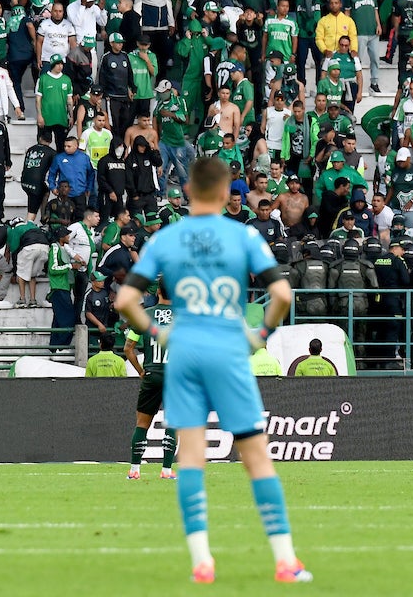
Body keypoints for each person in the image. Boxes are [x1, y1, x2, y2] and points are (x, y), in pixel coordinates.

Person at [113, 156, 311, 585]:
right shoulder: (242, 237)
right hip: (227, 350)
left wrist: (162, 337)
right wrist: (257, 338)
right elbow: (281, 294)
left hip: (184, 356)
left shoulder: (166, 240)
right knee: (256, 458)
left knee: (191, 459)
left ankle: (202, 561)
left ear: (188, 193)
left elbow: (125, 301)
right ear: (225, 194)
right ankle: (284, 560)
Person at [123, 282, 179, 480]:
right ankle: (166, 471)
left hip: (151, 374)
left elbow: (128, 348)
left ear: (158, 291)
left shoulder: (144, 315)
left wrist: (141, 371)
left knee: (142, 423)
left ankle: (134, 470)